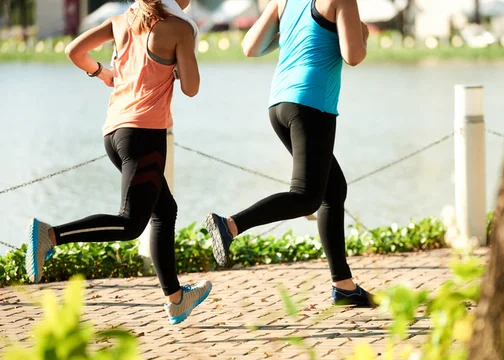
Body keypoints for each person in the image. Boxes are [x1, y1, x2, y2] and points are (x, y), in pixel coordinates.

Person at [25, 0, 211, 325]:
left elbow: (73, 50)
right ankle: (51, 235)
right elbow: (192, 88)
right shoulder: (178, 28)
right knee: (130, 224)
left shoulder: (121, 21)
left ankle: (176, 299)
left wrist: (102, 73)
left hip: (115, 132)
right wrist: (181, 59)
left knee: (164, 211)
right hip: (145, 136)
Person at [205, 0, 375, 307]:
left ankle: (345, 286)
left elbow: (251, 47)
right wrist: (362, 33)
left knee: (333, 190)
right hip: (312, 104)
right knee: (307, 196)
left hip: (280, 104)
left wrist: (288, 36)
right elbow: (354, 56)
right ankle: (230, 225)